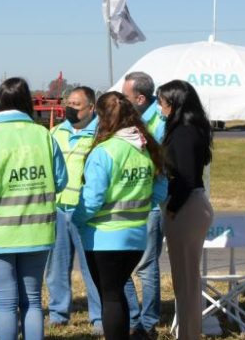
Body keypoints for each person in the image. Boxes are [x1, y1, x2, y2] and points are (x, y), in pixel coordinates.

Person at [0, 77, 68, 340]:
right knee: (32, 300)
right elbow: (61, 181)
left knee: (5, 302)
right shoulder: (44, 135)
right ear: (27, 103)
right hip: (38, 231)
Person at [72, 91, 164, 340]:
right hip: (136, 235)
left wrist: (76, 219)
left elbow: (91, 201)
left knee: (109, 296)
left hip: (104, 236)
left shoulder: (105, 151)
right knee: (117, 293)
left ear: (102, 117)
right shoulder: (146, 146)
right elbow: (160, 191)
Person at [156, 80, 214, 340]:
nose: (159, 107)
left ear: (174, 103)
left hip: (186, 206)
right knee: (186, 278)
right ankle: (188, 333)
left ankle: (189, 335)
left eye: (161, 101)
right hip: (191, 205)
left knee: (186, 280)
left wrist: (172, 209)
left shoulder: (183, 132)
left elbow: (186, 177)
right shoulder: (190, 129)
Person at [45, 86, 103, 336]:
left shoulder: (102, 135)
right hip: (58, 208)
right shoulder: (55, 132)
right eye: (68, 103)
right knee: (56, 267)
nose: (70, 108)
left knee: (93, 267)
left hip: (86, 212)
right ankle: (58, 313)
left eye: (77, 105)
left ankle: (99, 316)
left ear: (91, 108)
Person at [121, 72, 167, 340]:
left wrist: (153, 199)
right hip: (128, 204)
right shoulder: (133, 120)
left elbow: (160, 168)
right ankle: (134, 316)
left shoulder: (158, 124)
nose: (123, 102)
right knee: (122, 265)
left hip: (149, 204)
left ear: (139, 98)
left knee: (146, 266)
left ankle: (148, 321)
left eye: (127, 97)